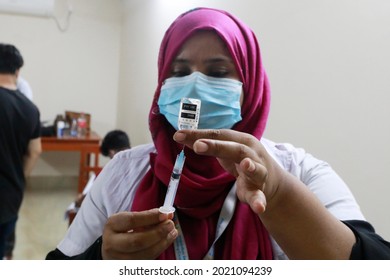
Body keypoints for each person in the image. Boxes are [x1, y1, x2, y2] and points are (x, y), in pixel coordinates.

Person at [46, 7, 390, 260]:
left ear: (250, 87)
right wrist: (103, 260)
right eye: (179, 71)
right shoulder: (124, 171)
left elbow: (375, 262)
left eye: (218, 71)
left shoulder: (300, 172)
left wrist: (280, 194)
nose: (194, 87)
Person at [0, 43, 42, 260]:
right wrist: (19, 178)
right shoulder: (30, 109)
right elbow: (35, 151)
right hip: (9, 195)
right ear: (17, 71)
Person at [66, 129, 131, 222]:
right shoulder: (139, 168)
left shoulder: (103, 174)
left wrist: (78, 202)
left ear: (111, 152)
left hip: (106, 222)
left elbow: (88, 200)